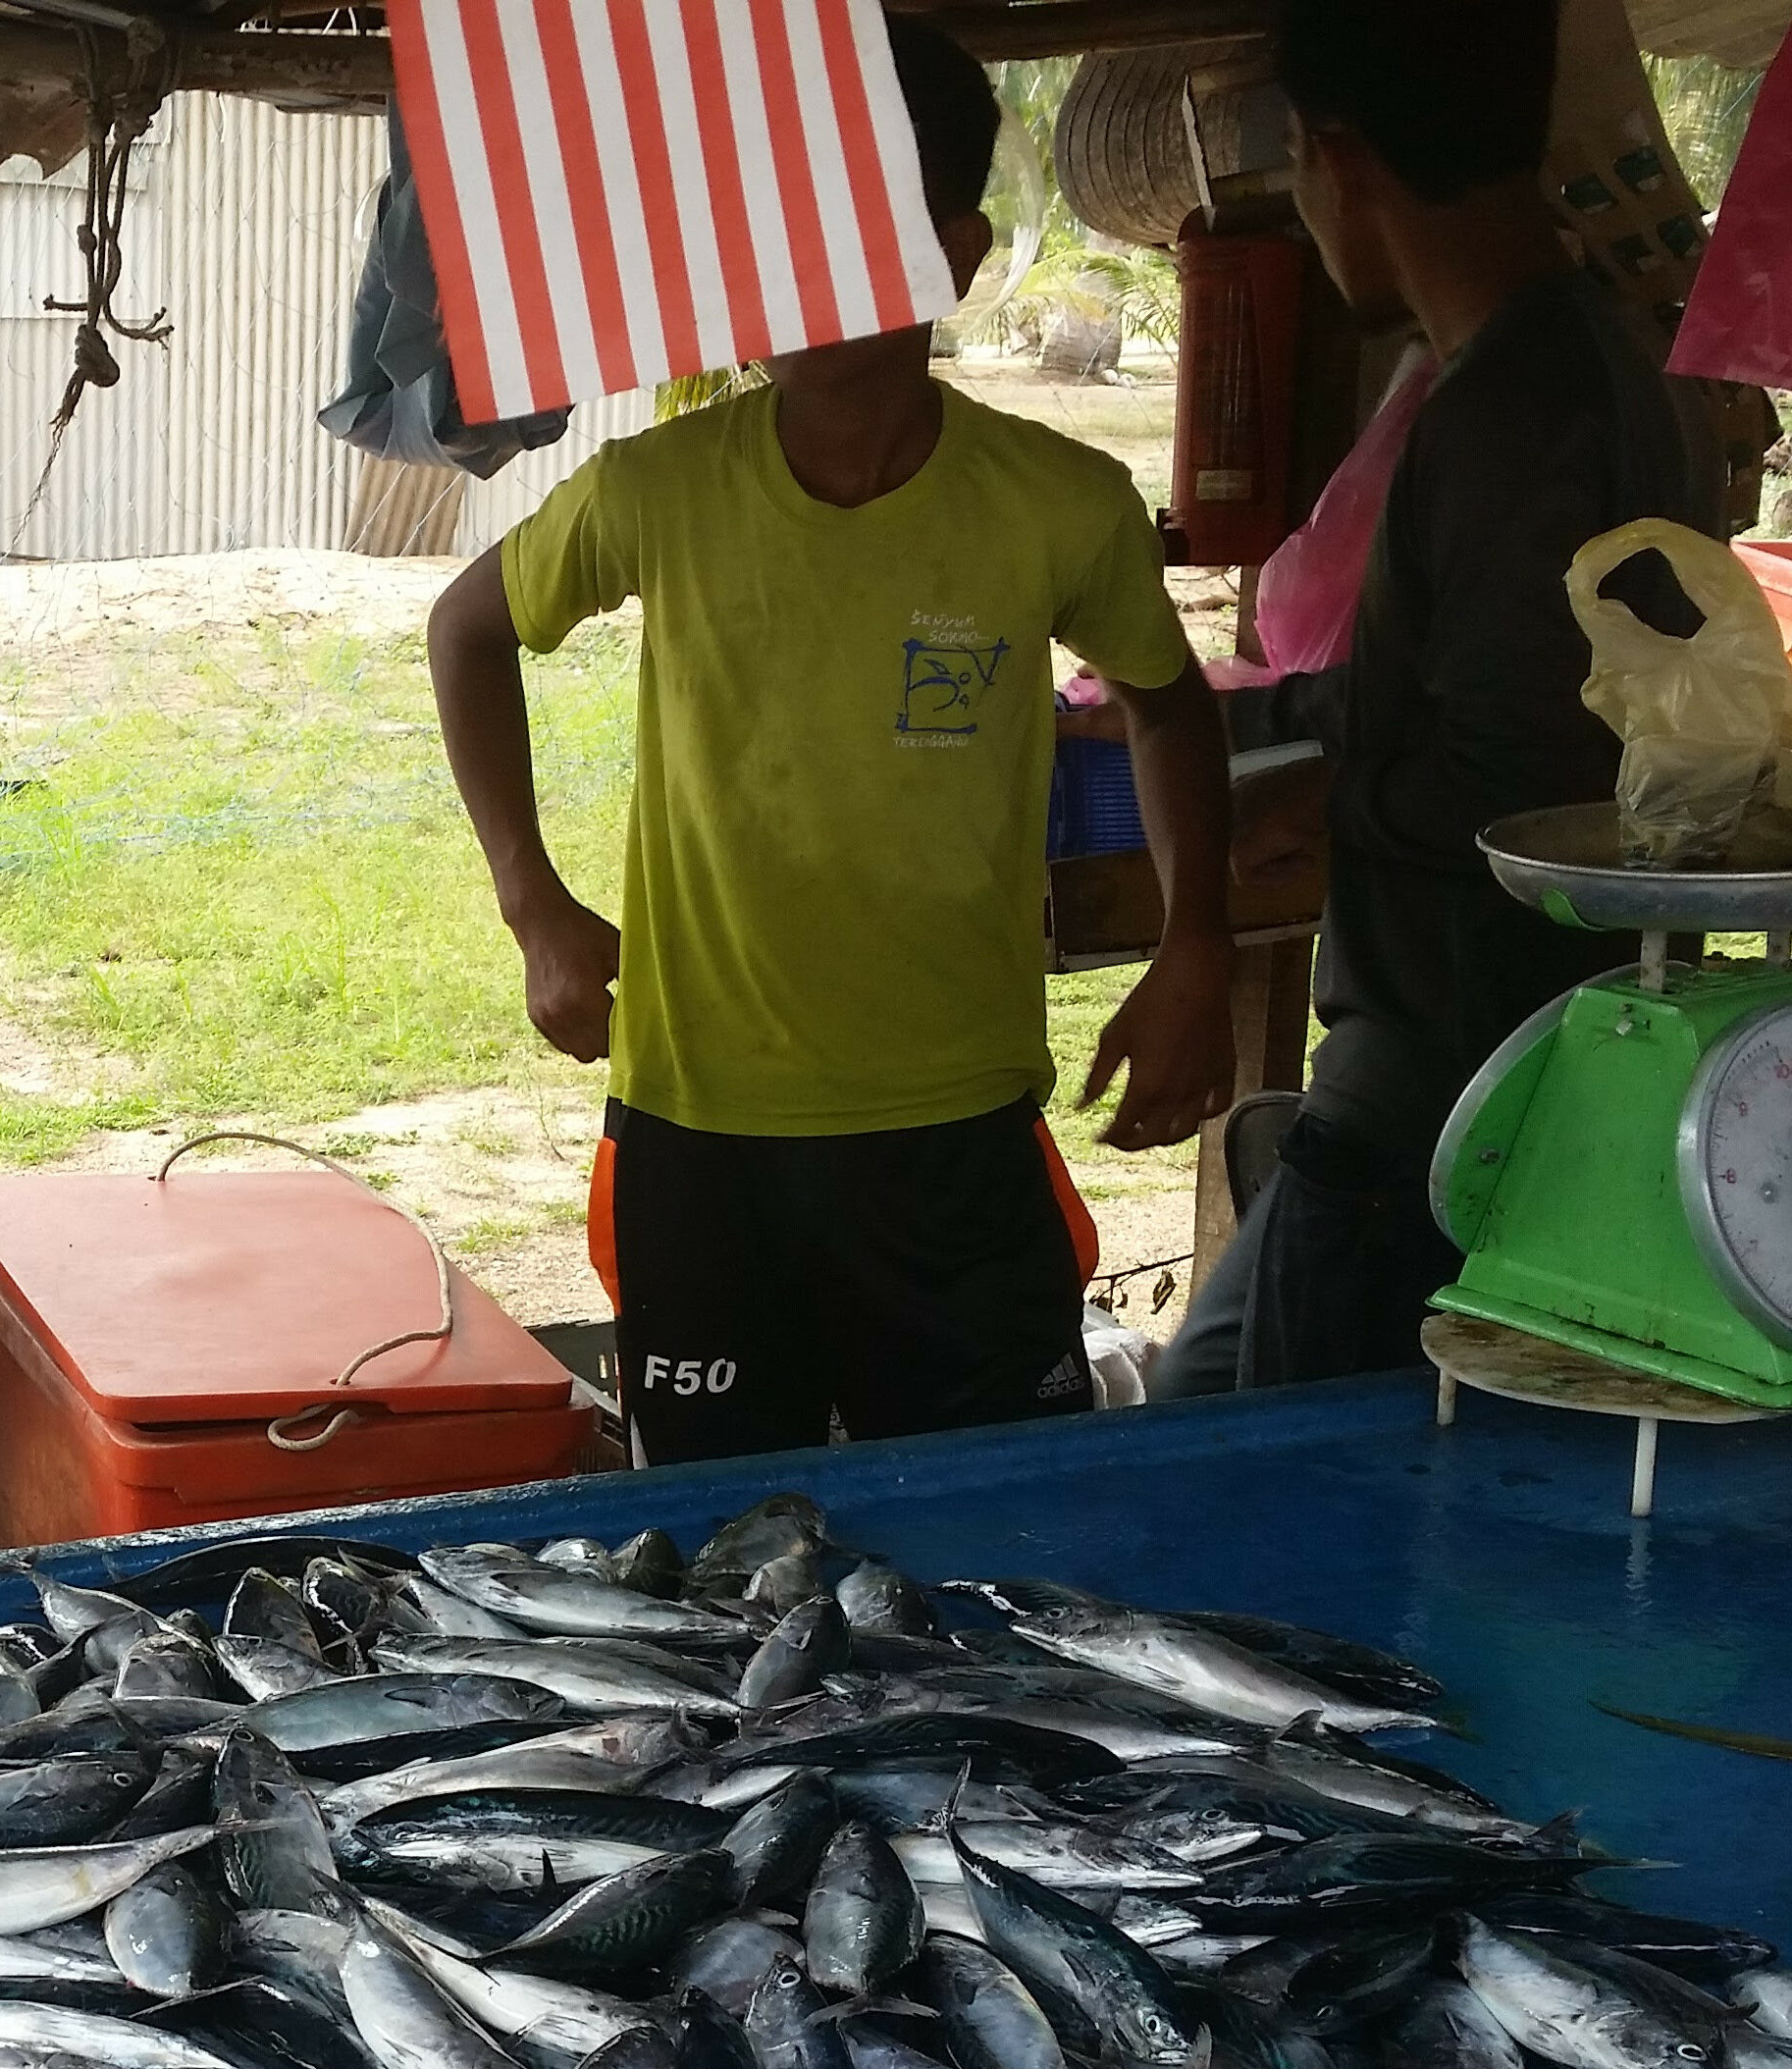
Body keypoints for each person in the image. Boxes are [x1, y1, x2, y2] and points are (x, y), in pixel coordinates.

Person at [427, 21, 1237, 1465]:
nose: (790, 274)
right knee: (727, 1543)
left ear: (954, 249)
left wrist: (1194, 948)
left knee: (996, 1520)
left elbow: (1163, 699)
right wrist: (530, 903)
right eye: (767, 230)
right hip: (697, 1121)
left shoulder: (1055, 503)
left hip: (957, 1120)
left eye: (844, 229)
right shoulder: (656, 490)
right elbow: (466, 631)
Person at [1156, 0, 1714, 1394]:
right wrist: (1242, 726)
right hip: (1518, 1032)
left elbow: (1513, 776)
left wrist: (1324, 805)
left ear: (1334, 155)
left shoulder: (1512, 409)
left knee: (1265, 1456)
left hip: (1453, 1054)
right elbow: (1474, 681)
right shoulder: (1588, 360)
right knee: (1209, 1395)